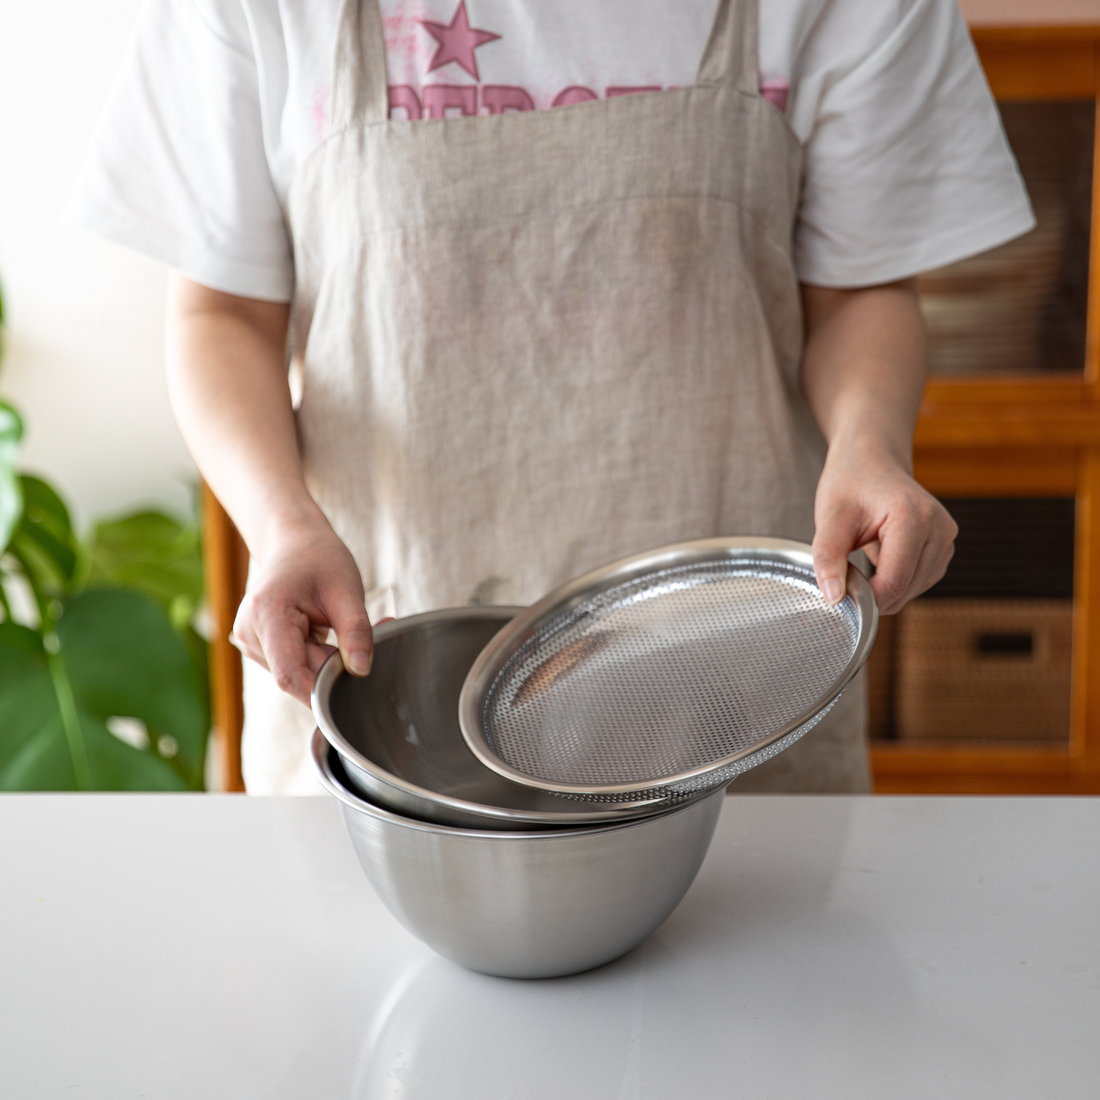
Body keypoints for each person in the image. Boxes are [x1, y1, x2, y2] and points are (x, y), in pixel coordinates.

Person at [70, 0, 1031, 794]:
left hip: (735, 695)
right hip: (385, 695)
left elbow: (858, 291)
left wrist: (869, 445)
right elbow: (224, 314)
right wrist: (279, 525)